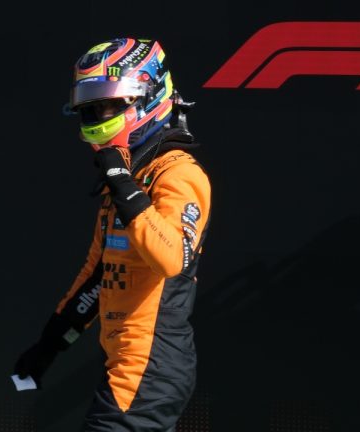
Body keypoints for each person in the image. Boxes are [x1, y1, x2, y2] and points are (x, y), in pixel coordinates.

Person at [13, 38, 212, 432]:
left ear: (148, 95)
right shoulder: (125, 180)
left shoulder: (179, 173)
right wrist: (50, 344)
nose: (100, 114)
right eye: (91, 106)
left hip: (150, 368)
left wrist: (122, 181)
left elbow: (171, 259)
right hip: (126, 363)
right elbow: (98, 274)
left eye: (110, 104)